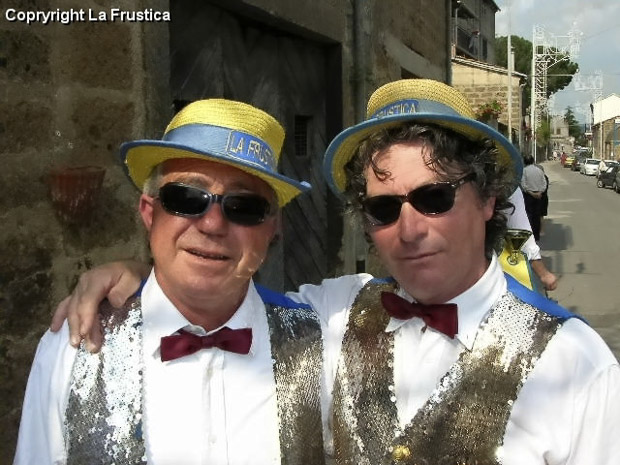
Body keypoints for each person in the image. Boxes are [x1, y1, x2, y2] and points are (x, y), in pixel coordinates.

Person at [52, 80, 620, 464]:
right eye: (383, 208)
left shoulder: (575, 363)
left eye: (435, 198)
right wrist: (141, 271)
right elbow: (220, 285)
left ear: (489, 200)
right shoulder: (332, 314)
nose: (410, 229)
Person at [14, 99, 327, 464]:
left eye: (243, 207)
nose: (212, 225)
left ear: (273, 228)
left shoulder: (323, 342)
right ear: (150, 213)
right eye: (186, 198)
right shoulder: (71, 348)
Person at [520, 154, 547, 241]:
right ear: (533, 161)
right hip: (539, 196)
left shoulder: (524, 171)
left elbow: (523, 184)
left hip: (529, 196)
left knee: (529, 215)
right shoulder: (539, 170)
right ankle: (536, 236)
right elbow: (544, 183)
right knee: (537, 215)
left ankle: (529, 235)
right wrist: (540, 192)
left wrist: (531, 193)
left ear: (524, 162)